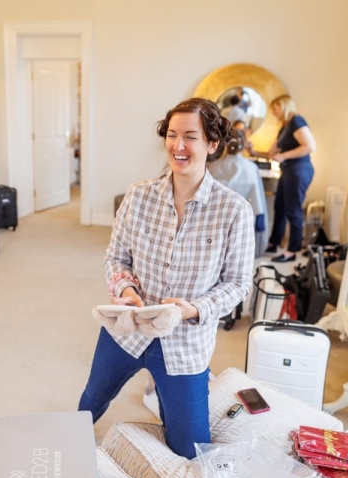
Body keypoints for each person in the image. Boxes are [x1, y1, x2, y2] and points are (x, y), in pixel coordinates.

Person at [78, 98, 255, 459]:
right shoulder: (138, 196)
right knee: (92, 400)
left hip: (184, 343)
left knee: (191, 451)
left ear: (212, 144)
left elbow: (238, 283)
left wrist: (194, 309)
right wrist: (125, 288)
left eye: (191, 136)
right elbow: (116, 257)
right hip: (127, 329)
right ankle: (68, 441)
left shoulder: (234, 210)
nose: (178, 146)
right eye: (172, 135)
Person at [249, 94, 316, 262]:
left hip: (299, 171)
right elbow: (272, 154)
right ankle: (274, 243)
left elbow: (309, 146)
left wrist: (285, 156)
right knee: (280, 208)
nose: (273, 112)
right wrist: (253, 152)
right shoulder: (285, 127)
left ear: (284, 106)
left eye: (274, 108)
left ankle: (292, 251)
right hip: (288, 171)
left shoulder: (297, 121)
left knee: (293, 211)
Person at [208, 128, 267, 257]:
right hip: (243, 221)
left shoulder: (213, 166)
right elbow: (257, 203)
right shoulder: (251, 168)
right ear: (244, 145)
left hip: (216, 219)